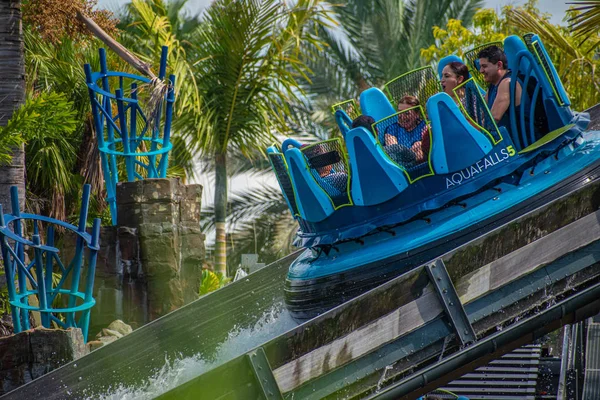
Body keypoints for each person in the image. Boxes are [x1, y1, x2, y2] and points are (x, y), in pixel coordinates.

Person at [477, 45, 521, 130]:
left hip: (524, 141)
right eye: (480, 67)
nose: (481, 71)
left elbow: (494, 119)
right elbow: (480, 114)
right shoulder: (492, 87)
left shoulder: (507, 82)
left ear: (499, 65)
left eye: (484, 66)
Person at [383, 95, 430, 164]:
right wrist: (412, 151)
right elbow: (393, 148)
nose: (402, 116)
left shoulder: (424, 126)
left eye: (407, 113)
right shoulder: (392, 128)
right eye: (399, 112)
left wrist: (420, 145)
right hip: (400, 166)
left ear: (417, 114)